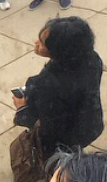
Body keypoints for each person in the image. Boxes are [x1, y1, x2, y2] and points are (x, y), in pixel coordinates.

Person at [13, 17, 103, 161]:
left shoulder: (45, 85)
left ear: (58, 51)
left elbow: (45, 127)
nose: (36, 43)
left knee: (59, 165)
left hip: (60, 141)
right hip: (89, 124)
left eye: (42, 43)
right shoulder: (93, 59)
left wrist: (21, 109)